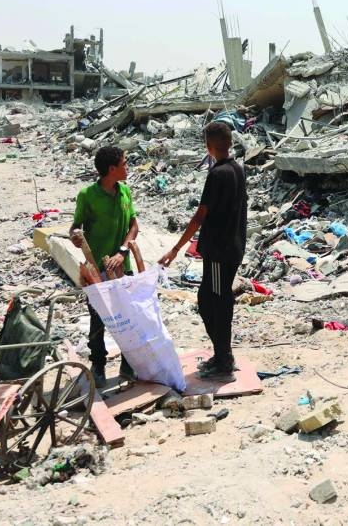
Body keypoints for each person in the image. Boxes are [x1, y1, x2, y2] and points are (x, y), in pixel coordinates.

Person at [159, 122, 247, 380]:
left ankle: (224, 359)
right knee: (209, 300)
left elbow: (200, 216)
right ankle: (222, 355)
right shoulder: (237, 170)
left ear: (208, 146)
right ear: (229, 142)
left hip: (221, 252)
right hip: (229, 248)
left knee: (215, 304)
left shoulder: (218, 174)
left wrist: (176, 249)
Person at [70, 146, 139, 384]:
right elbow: (75, 227)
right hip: (97, 271)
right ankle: (98, 365)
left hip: (122, 267)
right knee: (98, 320)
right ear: (112, 169)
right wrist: (76, 236)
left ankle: (128, 365)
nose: (127, 167)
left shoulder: (125, 192)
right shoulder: (88, 195)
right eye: (124, 163)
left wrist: (122, 251)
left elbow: (134, 226)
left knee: (127, 317)